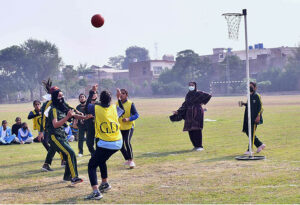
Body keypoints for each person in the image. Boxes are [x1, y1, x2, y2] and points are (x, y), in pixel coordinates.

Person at [84, 89, 125, 200]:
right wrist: (119, 99)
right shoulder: (114, 108)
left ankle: (96, 192)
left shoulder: (96, 108)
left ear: (100, 99)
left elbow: (86, 106)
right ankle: (105, 183)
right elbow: (123, 111)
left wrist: (91, 93)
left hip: (105, 142)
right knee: (101, 160)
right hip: (118, 142)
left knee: (92, 165)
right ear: (110, 100)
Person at [48, 87, 92, 184]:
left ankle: (67, 177)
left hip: (61, 135)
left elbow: (73, 115)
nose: (62, 97)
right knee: (70, 153)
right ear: (55, 97)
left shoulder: (62, 106)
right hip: (54, 136)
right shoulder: (53, 110)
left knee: (69, 154)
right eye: (60, 96)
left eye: (62, 95)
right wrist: (67, 117)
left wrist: (85, 117)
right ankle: (74, 177)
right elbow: (55, 124)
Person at [173, 82, 211, 151]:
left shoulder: (198, 93)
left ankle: (199, 146)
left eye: (192, 85)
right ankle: (195, 146)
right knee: (190, 129)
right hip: (189, 113)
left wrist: (202, 103)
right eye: (190, 85)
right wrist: (178, 111)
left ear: (195, 86)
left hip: (197, 112)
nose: (191, 86)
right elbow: (185, 104)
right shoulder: (188, 95)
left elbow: (208, 96)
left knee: (197, 129)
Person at [239, 82, 266, 155]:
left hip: (254, 118)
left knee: (251, 133)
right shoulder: (249, 96)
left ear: (255, 88)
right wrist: (244, 104)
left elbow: (261, 107)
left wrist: (258, 116)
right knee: (248, 132)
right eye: (249, 86)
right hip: (248, 117)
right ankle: (260, 144)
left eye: (251, 86)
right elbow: (249, 105)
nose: (249, 88)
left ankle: (249, 149)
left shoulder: (257, 96)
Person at [117, 88, 139, 169]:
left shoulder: (130, 104)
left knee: (127, 141)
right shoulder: (116, 104)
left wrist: (128, 119)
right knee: (120, 144)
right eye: (120, 93)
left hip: (129, 126)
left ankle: (131, 160)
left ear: (126, 95)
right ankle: (128, 159)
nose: (121, 95)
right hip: (120, 127)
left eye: (123, 93)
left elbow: (137, 115)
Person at [84, 85, 99, 156]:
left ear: (97, 95)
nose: (93, 95)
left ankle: (98, 157)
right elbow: (86, 108)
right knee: (89, 143)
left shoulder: (99, 104)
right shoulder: (88, 105)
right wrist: (92, 92)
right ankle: (94, 155)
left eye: (94, 94)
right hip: (90, 126)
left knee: (99, 144)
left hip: (98, 126)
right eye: (91, 94)